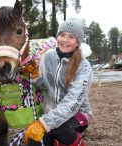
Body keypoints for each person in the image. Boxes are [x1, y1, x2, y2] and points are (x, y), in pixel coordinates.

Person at [23, 18, 93, 146]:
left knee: (58, 128)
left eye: (71, 37)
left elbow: (73, 101)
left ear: (78, 42)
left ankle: (78, 143)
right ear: (57, 37)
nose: (65, 40)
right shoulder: (47, 57)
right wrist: (34, 75)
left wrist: (44, 123)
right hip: (51, 111)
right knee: (34, 140)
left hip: (78, 113)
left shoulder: (84, 66)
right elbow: (44, 86)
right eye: (62, 35)